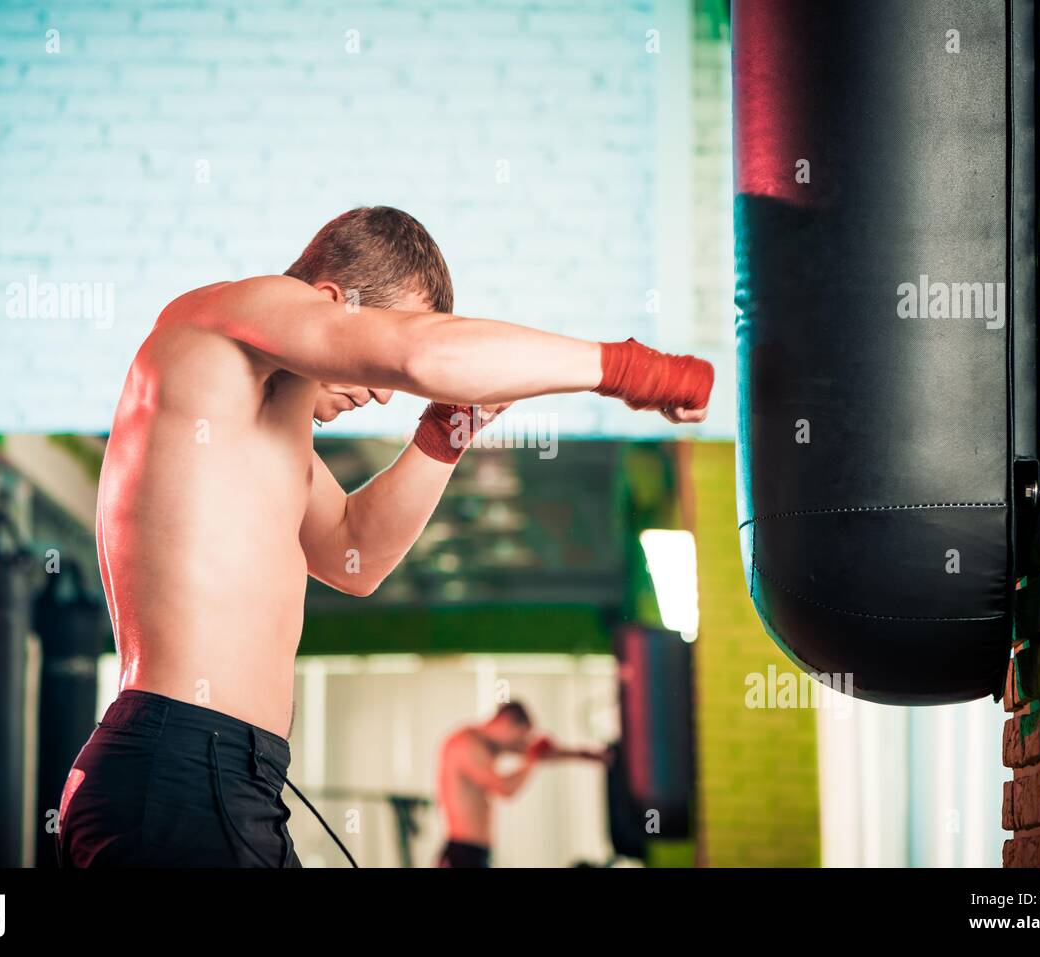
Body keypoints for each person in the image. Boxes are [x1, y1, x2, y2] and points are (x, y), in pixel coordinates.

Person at [57, 206, 712, 867]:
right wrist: (631, 368)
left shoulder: (261, 430)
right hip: (182, 771)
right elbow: (420, 353)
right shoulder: (228, 315)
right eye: (379, 332)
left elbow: (355, 556)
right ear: (330, 299)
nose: (380, 395)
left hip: (212, 777)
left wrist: (448, 429)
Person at [436, 701, 608, 868]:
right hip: (462, 853)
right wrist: (532, 760)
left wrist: (590, 755)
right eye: (520, 736)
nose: (520, 743)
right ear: (506, 724)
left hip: (477, 852)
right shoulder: (465, 746)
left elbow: (542, 753)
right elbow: (506, 788)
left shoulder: (489, 745)